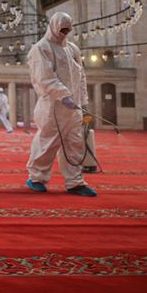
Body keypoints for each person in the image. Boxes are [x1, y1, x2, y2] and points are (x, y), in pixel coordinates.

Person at [24, 12, 97, 197]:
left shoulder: (72, 49)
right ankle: (36, 178)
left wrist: (83, 102)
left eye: (67, 30)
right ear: (54, 26)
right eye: (62, 29)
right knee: (48, 143)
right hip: (52, 108)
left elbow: (81, 77)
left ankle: (75, 182)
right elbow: (44, 77)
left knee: (75, 143)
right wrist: (63, 94)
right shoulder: (41, 48)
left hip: (74, 109)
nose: (64, 33)